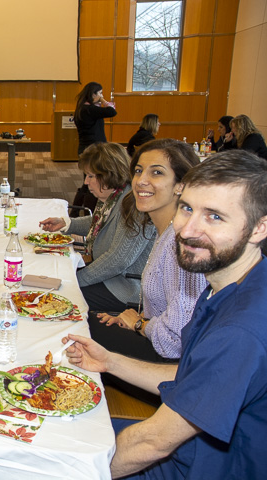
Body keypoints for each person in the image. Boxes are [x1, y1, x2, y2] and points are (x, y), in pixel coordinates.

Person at [64, 150, 267, 479]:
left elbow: (154, 443)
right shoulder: (232, 285)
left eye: (215, 217)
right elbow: (196, 377)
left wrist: (67, 473)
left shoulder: (241, 330)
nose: (187, 229)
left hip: (199, 467)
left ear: (259, 228)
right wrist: (110, 362)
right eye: (187, 208)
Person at [89, 139, 207, 364]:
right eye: (138, 171)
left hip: (169, 360)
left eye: (157, 172)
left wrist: (138, 324)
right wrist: (133, 319)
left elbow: (175, 341)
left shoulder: (181, 243)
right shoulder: (167, 232)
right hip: (154, 336)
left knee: (75, 327)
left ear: (180, 185)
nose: (141, 181)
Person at [40, 142, 155, 312]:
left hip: (124, 288)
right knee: (51, 273)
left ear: (109, 174)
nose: (86, 182)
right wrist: (68, 223)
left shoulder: (134, 206)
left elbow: (117, 261)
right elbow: (101, 223)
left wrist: (76, 279)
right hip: (108, 276)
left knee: (57, 296)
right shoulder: (116, 197)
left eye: (91, 176)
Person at [71, 82, 117, 215]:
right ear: (92, 94)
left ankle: (76, 212)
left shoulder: (83, 108)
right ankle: (88, 213)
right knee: (92, 182)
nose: (102, 96)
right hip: (93, 150)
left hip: (86, 148)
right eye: (100, 93)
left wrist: (99, 100)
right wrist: (103, 100)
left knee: (87, 182)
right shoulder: (89, 109)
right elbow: (112, 111)